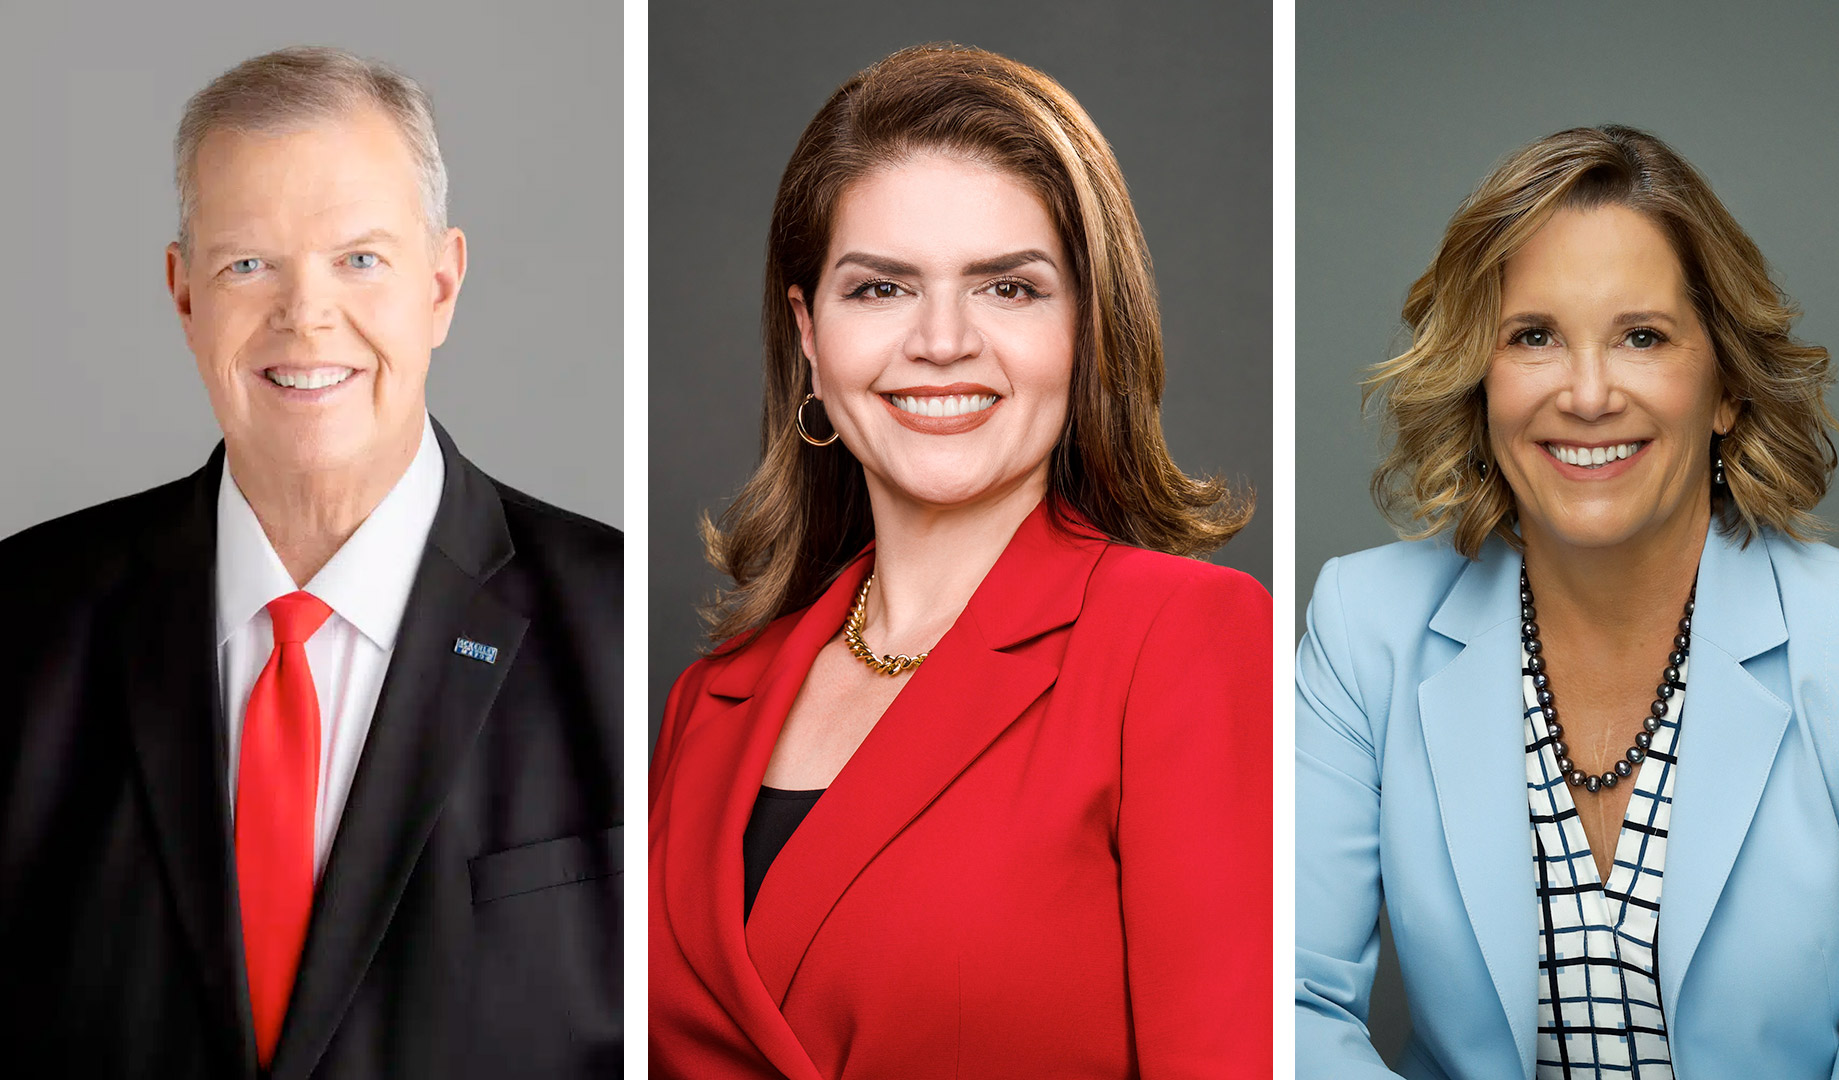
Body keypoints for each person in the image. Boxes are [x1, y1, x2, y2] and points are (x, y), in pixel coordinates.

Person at [649, 44, 1271, 1079]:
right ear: (810, 332)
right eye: (881, 288)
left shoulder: (1183, 641)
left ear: (1086, 327)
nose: (941, 341)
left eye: (1009, 290)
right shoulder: (708, 699)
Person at [0, 47, 620, 1078]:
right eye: (249, 263)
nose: (306, 316)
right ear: (185, 296)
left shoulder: (616, 625)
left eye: (360, 259)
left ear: (441, 285)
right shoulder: (22, 619)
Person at [1296, 124, 1839, 1079]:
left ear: (1724, 389)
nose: (1587, 395)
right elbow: (1287, 1005)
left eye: (1642, 337)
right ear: (1479, 379)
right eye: (1534, 337)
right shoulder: (1363, 626)